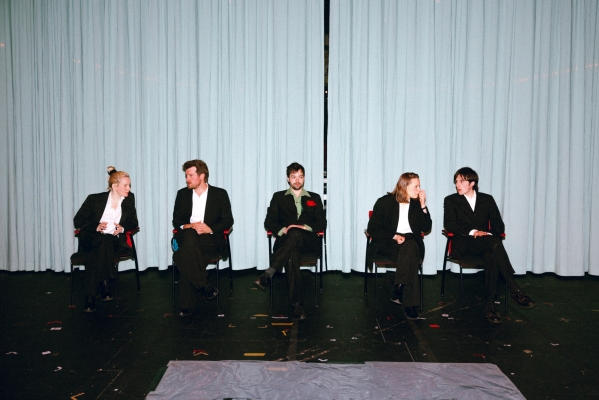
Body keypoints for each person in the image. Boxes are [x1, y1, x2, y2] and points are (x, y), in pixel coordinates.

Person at [444, 167, 536, 324]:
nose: (457, 184)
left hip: (486, 244)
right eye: (456, 181)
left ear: (472, 183)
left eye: (461, 181)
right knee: (493, 244)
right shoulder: (451, 200)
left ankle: (491, 306)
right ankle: (514, 288)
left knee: (491, 255)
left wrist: (487, 233)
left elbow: (498, 224)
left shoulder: (487, 199)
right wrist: (474, 232)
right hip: (465, 245)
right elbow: (450, 224)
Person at [255, 162, 327, 320]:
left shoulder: (314, 197)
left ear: (304, 178)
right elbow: (269, 222)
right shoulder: (278, 197)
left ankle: (269, 272)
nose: (297, 180)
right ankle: (296, 306)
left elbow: (322, 223)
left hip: (308, 242)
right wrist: (283, 230)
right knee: (291, 254)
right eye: (293, 177)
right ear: (288, 179)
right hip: (286, 242)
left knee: (295, 232)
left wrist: (302, 227)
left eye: (300, 177)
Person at [172, 159, 234, 317]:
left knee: (184, 256)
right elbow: (176, 221)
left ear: (202, 176)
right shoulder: (182, 194)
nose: (187, 179)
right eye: (186, 176)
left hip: (209, 239)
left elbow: (228, 220)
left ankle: (187, 304)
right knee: (188, 240)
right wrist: (189, 226)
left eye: (190, 175)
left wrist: (210, 228)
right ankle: (204, 285)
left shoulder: (220, 194)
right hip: (187, 236)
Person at [366, 172, 431, 319]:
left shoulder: (416, 204)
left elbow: (426, 227)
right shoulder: (384, 202)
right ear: (404, 186)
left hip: (410, 242)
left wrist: (423, 206)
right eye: (416, 186)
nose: (419, 190)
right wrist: (394, 236)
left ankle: (400, 288)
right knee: (411, 255)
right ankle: (409, 303)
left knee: (410, 248)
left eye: (419, 186)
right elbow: (373, 229)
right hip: (387, 241)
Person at [74, 166, 138, 313]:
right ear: (114, 186)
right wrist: (95, 226)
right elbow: (78, 220)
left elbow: (133, 222)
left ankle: (90, 296)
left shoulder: (129, 200)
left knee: (95, 254)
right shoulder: (94, 199)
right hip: (92, 238)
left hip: (112, 240)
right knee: (101, 242)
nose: (129, 188)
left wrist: (122, 228)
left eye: (129, 185)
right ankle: (105, 283)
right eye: (125, 185)